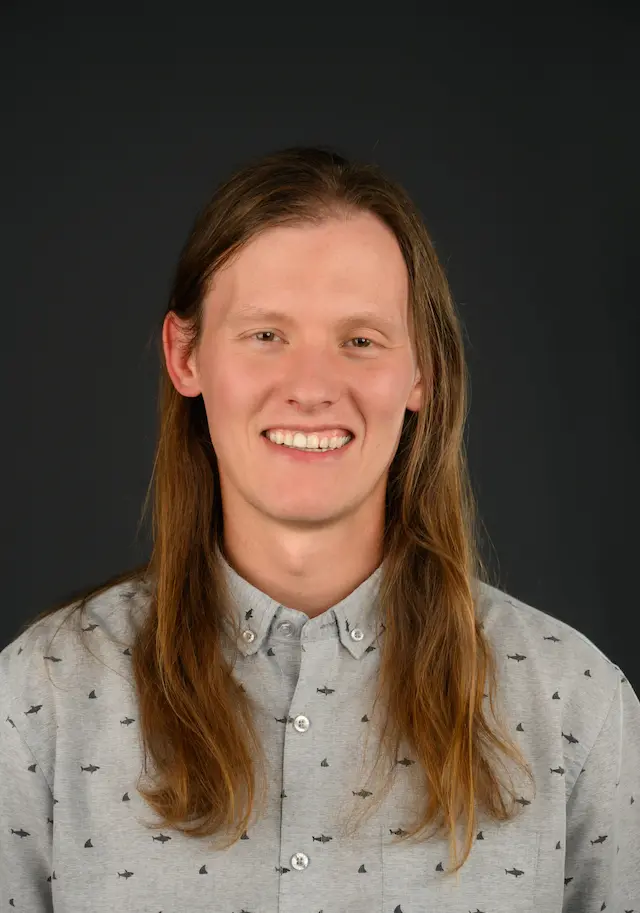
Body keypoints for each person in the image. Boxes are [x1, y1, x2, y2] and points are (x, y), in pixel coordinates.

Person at [1, 146, 638, 913]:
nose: (311, 386)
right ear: (185, 354)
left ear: (421, 373)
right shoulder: (39, 700)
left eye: (360, 339)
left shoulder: (577, 705)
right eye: (267, 334)